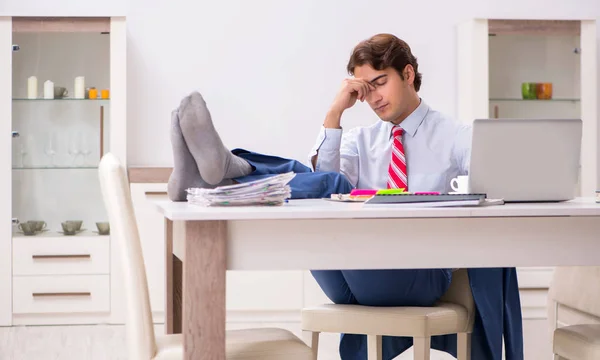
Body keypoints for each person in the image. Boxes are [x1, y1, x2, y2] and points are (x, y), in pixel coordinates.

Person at [167, 34, 523, 360]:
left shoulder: (455, 136)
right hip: (355, 271)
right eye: (364, 89)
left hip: (419, 271)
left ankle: (227, 174)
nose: (373, 97)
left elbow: (499, 184)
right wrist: (334, 113)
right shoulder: (361, 139)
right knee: (326, 190)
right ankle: (217, 178)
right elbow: (321, 180)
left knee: (336, 186)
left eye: (380, 83)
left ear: (408, 74)